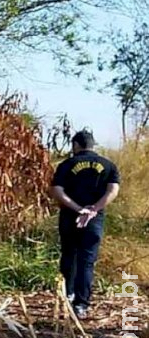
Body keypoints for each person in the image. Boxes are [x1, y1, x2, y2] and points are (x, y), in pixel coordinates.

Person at [50, 129, 121, 319]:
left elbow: (57, 191)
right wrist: (93, 209)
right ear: (92, 145)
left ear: (75, 145)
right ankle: (81, 304)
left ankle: (68, 294)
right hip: (93, 219)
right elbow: (113, 191)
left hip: (69, 217)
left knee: (69, 255)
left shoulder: (67, 165)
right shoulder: (108, 165)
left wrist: (77, 208)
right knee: (87, 261)